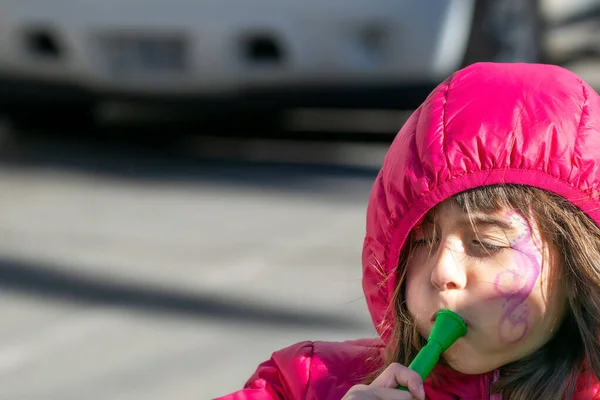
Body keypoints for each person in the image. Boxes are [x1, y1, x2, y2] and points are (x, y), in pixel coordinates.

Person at [215, 62, 600, 399]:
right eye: (421, 241)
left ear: (579, 266)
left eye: (485, 242)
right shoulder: (309, 383)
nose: (441, 272)